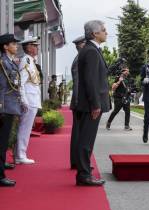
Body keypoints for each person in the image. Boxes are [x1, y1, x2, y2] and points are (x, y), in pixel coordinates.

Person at [75, 20, 111, 186]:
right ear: (95, 33)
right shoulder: (90, 51)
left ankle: (84, 172)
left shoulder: (91, 49)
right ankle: (84, 175)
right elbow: (90, 81)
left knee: (86, 140)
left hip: (89, 104)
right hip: (91, 105)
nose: (106, 33)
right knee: (86, 141)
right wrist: (96, 105)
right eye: (103, 30)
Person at [0, 33, 25, 186]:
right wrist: (1, 108)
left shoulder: (11, 62)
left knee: (3, 141)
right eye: (13, 43)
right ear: (5, 46)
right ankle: (0, 176)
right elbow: (2, 87)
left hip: (11, 106)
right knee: (1, 143)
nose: (16, 46)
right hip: (5, 108)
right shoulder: (3, 63)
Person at [16, 36, 42, 164]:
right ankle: (20, 155)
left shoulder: (31, 61)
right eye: (35, 45)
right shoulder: (26, 60)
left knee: (26, 128)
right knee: (24, 128)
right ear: (29, 47)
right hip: (29, 100)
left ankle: (20, 153)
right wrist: (23, 100)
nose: (37, 48)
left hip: (33, 99)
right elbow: (20, 82)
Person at [69, 35, 86, 170]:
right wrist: (78, 101)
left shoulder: (80, 58)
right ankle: (76, 161)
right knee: (78, 134)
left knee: (79, 133)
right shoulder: (80, 59)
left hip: (78, 101)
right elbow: (77, 83)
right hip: (79, 102)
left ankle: (77, 161)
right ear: (80, 45)